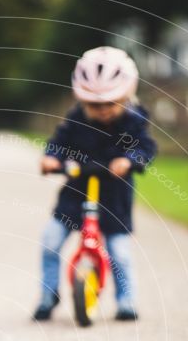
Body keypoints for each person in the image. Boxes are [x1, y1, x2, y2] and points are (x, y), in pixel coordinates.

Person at [33, 46, 157, 322]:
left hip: (114, 199)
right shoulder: (76, 121)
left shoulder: (133, 124)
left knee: (119, 253)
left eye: (110, 104)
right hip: (75, 194)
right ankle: (47, 294)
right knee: (50, 242)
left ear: (127, 96)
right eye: (94, 105)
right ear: (82, 100)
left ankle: (127, 302)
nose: (102, 111)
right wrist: (51, 158)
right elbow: (58, 143)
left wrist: (130, 159)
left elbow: (147, 149)